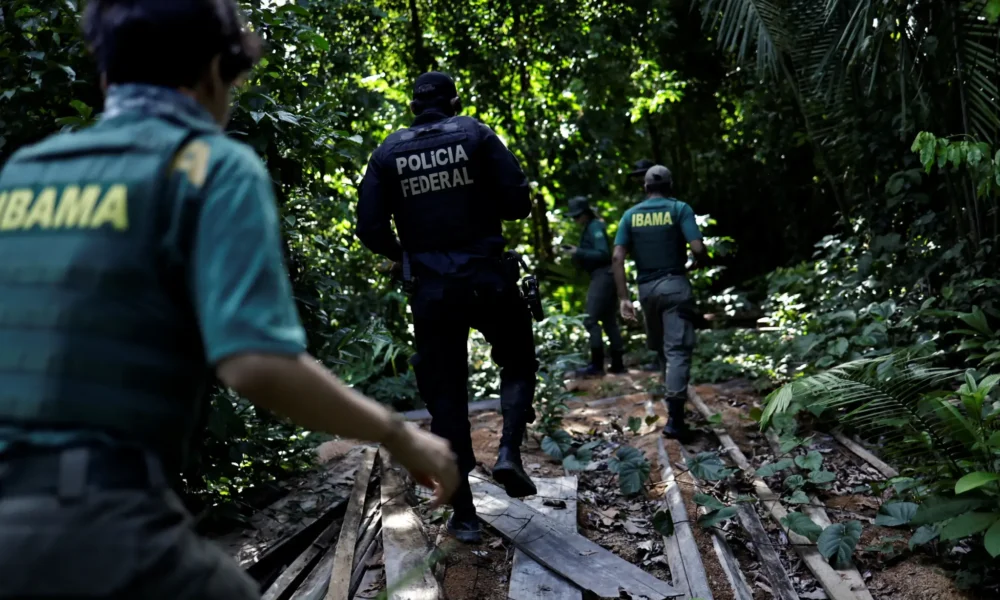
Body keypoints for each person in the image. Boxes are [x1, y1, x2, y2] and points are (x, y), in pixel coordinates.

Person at [0, 2, 458, 598]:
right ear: (217, 70)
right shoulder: (205, 166)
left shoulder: (24, 173)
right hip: (95, 521)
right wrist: (400, 434)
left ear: (106, 74)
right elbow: (255, 363)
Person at [356, 71, 539, 544]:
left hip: (433, 292)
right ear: (453, 100)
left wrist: (407, 255)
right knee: (517, 360)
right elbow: (519, 202)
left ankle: (464, 516)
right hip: (489, 278)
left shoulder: (387, 153)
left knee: (446, 395)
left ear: (413, 106)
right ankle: (508, 453)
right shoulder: (476, 134)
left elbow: (370, 228)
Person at [612, 165, 708, 441]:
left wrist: (623, 299)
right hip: (675, 285)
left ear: (645, 187)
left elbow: (617, 258)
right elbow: (698, 248)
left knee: (662, 349)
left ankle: (673, 405)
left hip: (647, 290)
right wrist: (698, 262)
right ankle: (675, 420)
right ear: (670, 185)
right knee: (677, 349)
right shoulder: (680, 209)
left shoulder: (630, 215)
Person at [561, 196, 625, 376]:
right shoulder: (590, 227)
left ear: (585, 214)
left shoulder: (595, 226)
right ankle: (617, 364)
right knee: (609, 320)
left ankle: (597, 365)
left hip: (603, 275)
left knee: (590, 319)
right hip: (604, 275)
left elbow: (603, 253)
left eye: (577, 216)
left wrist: (578, 251)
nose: (575, 220)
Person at [627, 159, 665, 373]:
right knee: (654, 323)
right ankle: (661, 359)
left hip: (664, 270)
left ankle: (666, 362)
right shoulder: (637, 209)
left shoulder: (667, 203)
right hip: (647, 272)